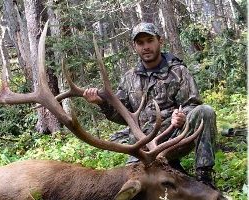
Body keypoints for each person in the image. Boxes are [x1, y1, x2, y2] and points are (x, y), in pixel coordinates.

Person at [83, 22, 217, 188]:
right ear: (135, 46)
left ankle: (205, 178)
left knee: (205, 111)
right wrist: (101, 103)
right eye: (140, 43)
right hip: (143, 148)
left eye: (149, 40)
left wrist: (182, 116)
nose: (145, 46)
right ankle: (171, 169)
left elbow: (192, 104)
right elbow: (121, 115)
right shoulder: (129, 78)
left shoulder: (178, 71)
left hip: (172, 142)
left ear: (159, 41)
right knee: (134, 186)